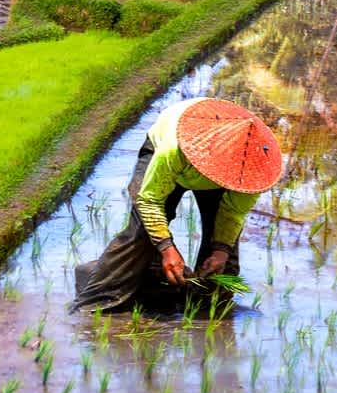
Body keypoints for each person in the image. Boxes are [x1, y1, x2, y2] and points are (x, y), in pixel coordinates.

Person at [72, 97, 285, 314]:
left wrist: (221, 250)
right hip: (173, 155)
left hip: (224, 158)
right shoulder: (175, 148)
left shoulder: (253, 171)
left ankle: (209, 308)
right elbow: (150, 200)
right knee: (142, 232)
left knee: (224, 257)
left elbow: (233, 213)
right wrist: (167, 248)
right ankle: (94, 307)